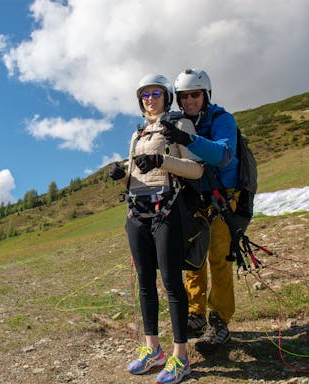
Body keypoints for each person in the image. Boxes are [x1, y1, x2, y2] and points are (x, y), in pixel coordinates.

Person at [109, 73, 203, 384]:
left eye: (155, 92)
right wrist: (120, 176)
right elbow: (136, 177)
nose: (150, 98)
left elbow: (196, 169)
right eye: (145, 94)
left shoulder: (179, 126)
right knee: (145, 281)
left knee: (172, 281)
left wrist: (161, 161)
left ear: (166, 96)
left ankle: (181, 357)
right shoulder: (136, 135)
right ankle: (153, 350)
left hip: (167, 209)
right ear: (140, 100)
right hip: (136, 212)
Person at [164, 68, 240, 351]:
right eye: (184, 96)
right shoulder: (179, 122)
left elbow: (223, 154)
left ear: (205, 94)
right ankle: (195, 315)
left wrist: (189, 140)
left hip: (223, 198)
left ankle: (219, 320)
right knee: (193, 258)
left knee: (219, 256)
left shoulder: (222, 119)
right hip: (193, 199)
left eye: (195, 95)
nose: (190, 101)